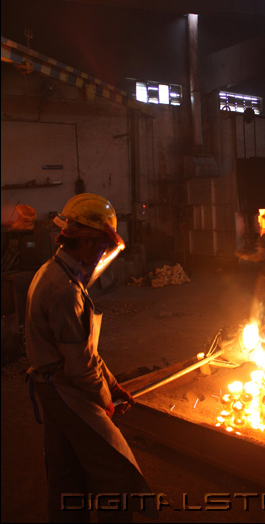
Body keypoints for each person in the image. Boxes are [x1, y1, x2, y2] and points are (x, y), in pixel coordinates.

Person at [25, 193, 157, 523]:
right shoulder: (65, 292)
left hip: (50, 382)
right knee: (117, 472)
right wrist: (104, 403)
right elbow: (81, 367)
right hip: (64, 387)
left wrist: (113, 385)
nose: (102, 254)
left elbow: (85, 351)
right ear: (84, 241)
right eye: (101, 245)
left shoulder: (52, 272)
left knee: (66, 473)